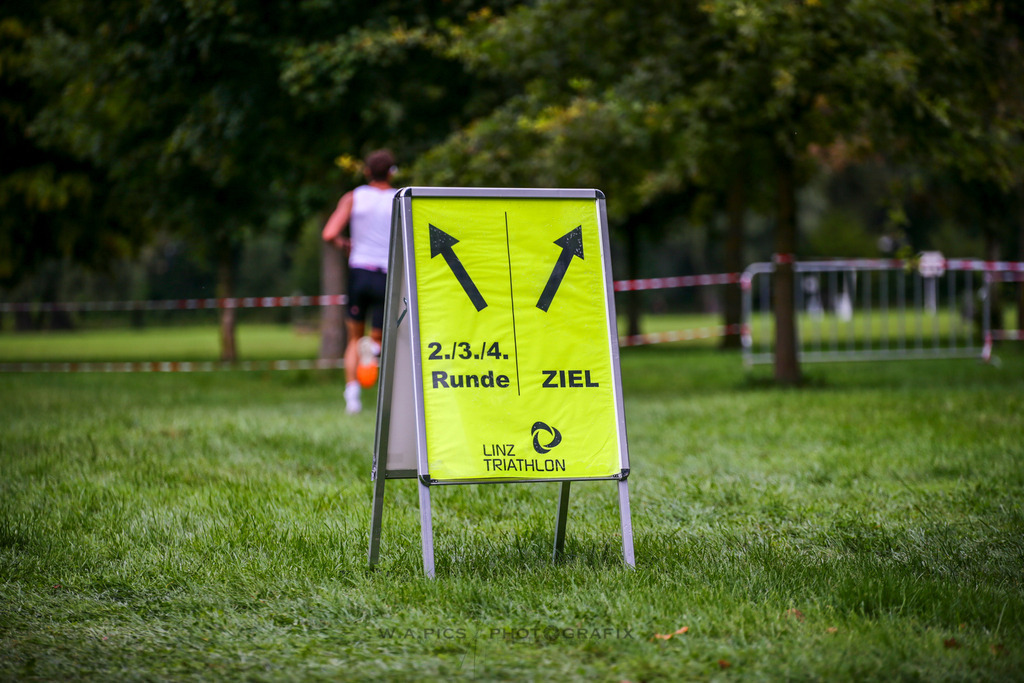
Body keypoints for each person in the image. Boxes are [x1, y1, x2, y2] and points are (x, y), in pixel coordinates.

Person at [322, 149, 396, 414]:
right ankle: (374, 350)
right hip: (387, 273)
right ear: (391, 172)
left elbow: (329, 233)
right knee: (379, 336)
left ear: (366, 172)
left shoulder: (354, 197)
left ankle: (352, 396)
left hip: (359, 272)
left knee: (354, 337)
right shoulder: (399, 200)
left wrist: (345, 244)